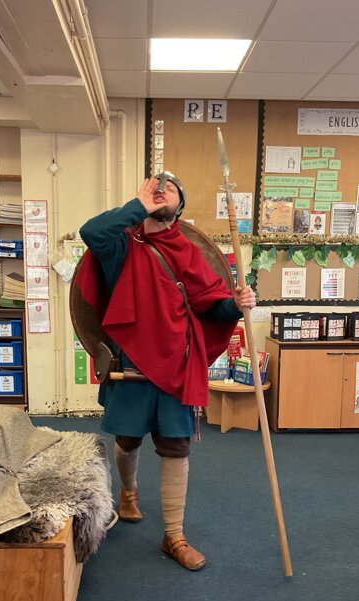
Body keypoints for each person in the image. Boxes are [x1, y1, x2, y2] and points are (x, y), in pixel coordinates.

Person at [76, 173, 256, 571]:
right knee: (127, 438)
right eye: (155, 187)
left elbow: (213, 306)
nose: (162, 190)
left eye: (170, 189)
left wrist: (237, 303)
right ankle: (129, 493)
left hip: (178, 362)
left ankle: (174, 536)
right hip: (134, 362)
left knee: (176, 446)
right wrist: (137, 207)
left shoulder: (189, 251)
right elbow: (91, 232)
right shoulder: (121, 244)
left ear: (180, 208)